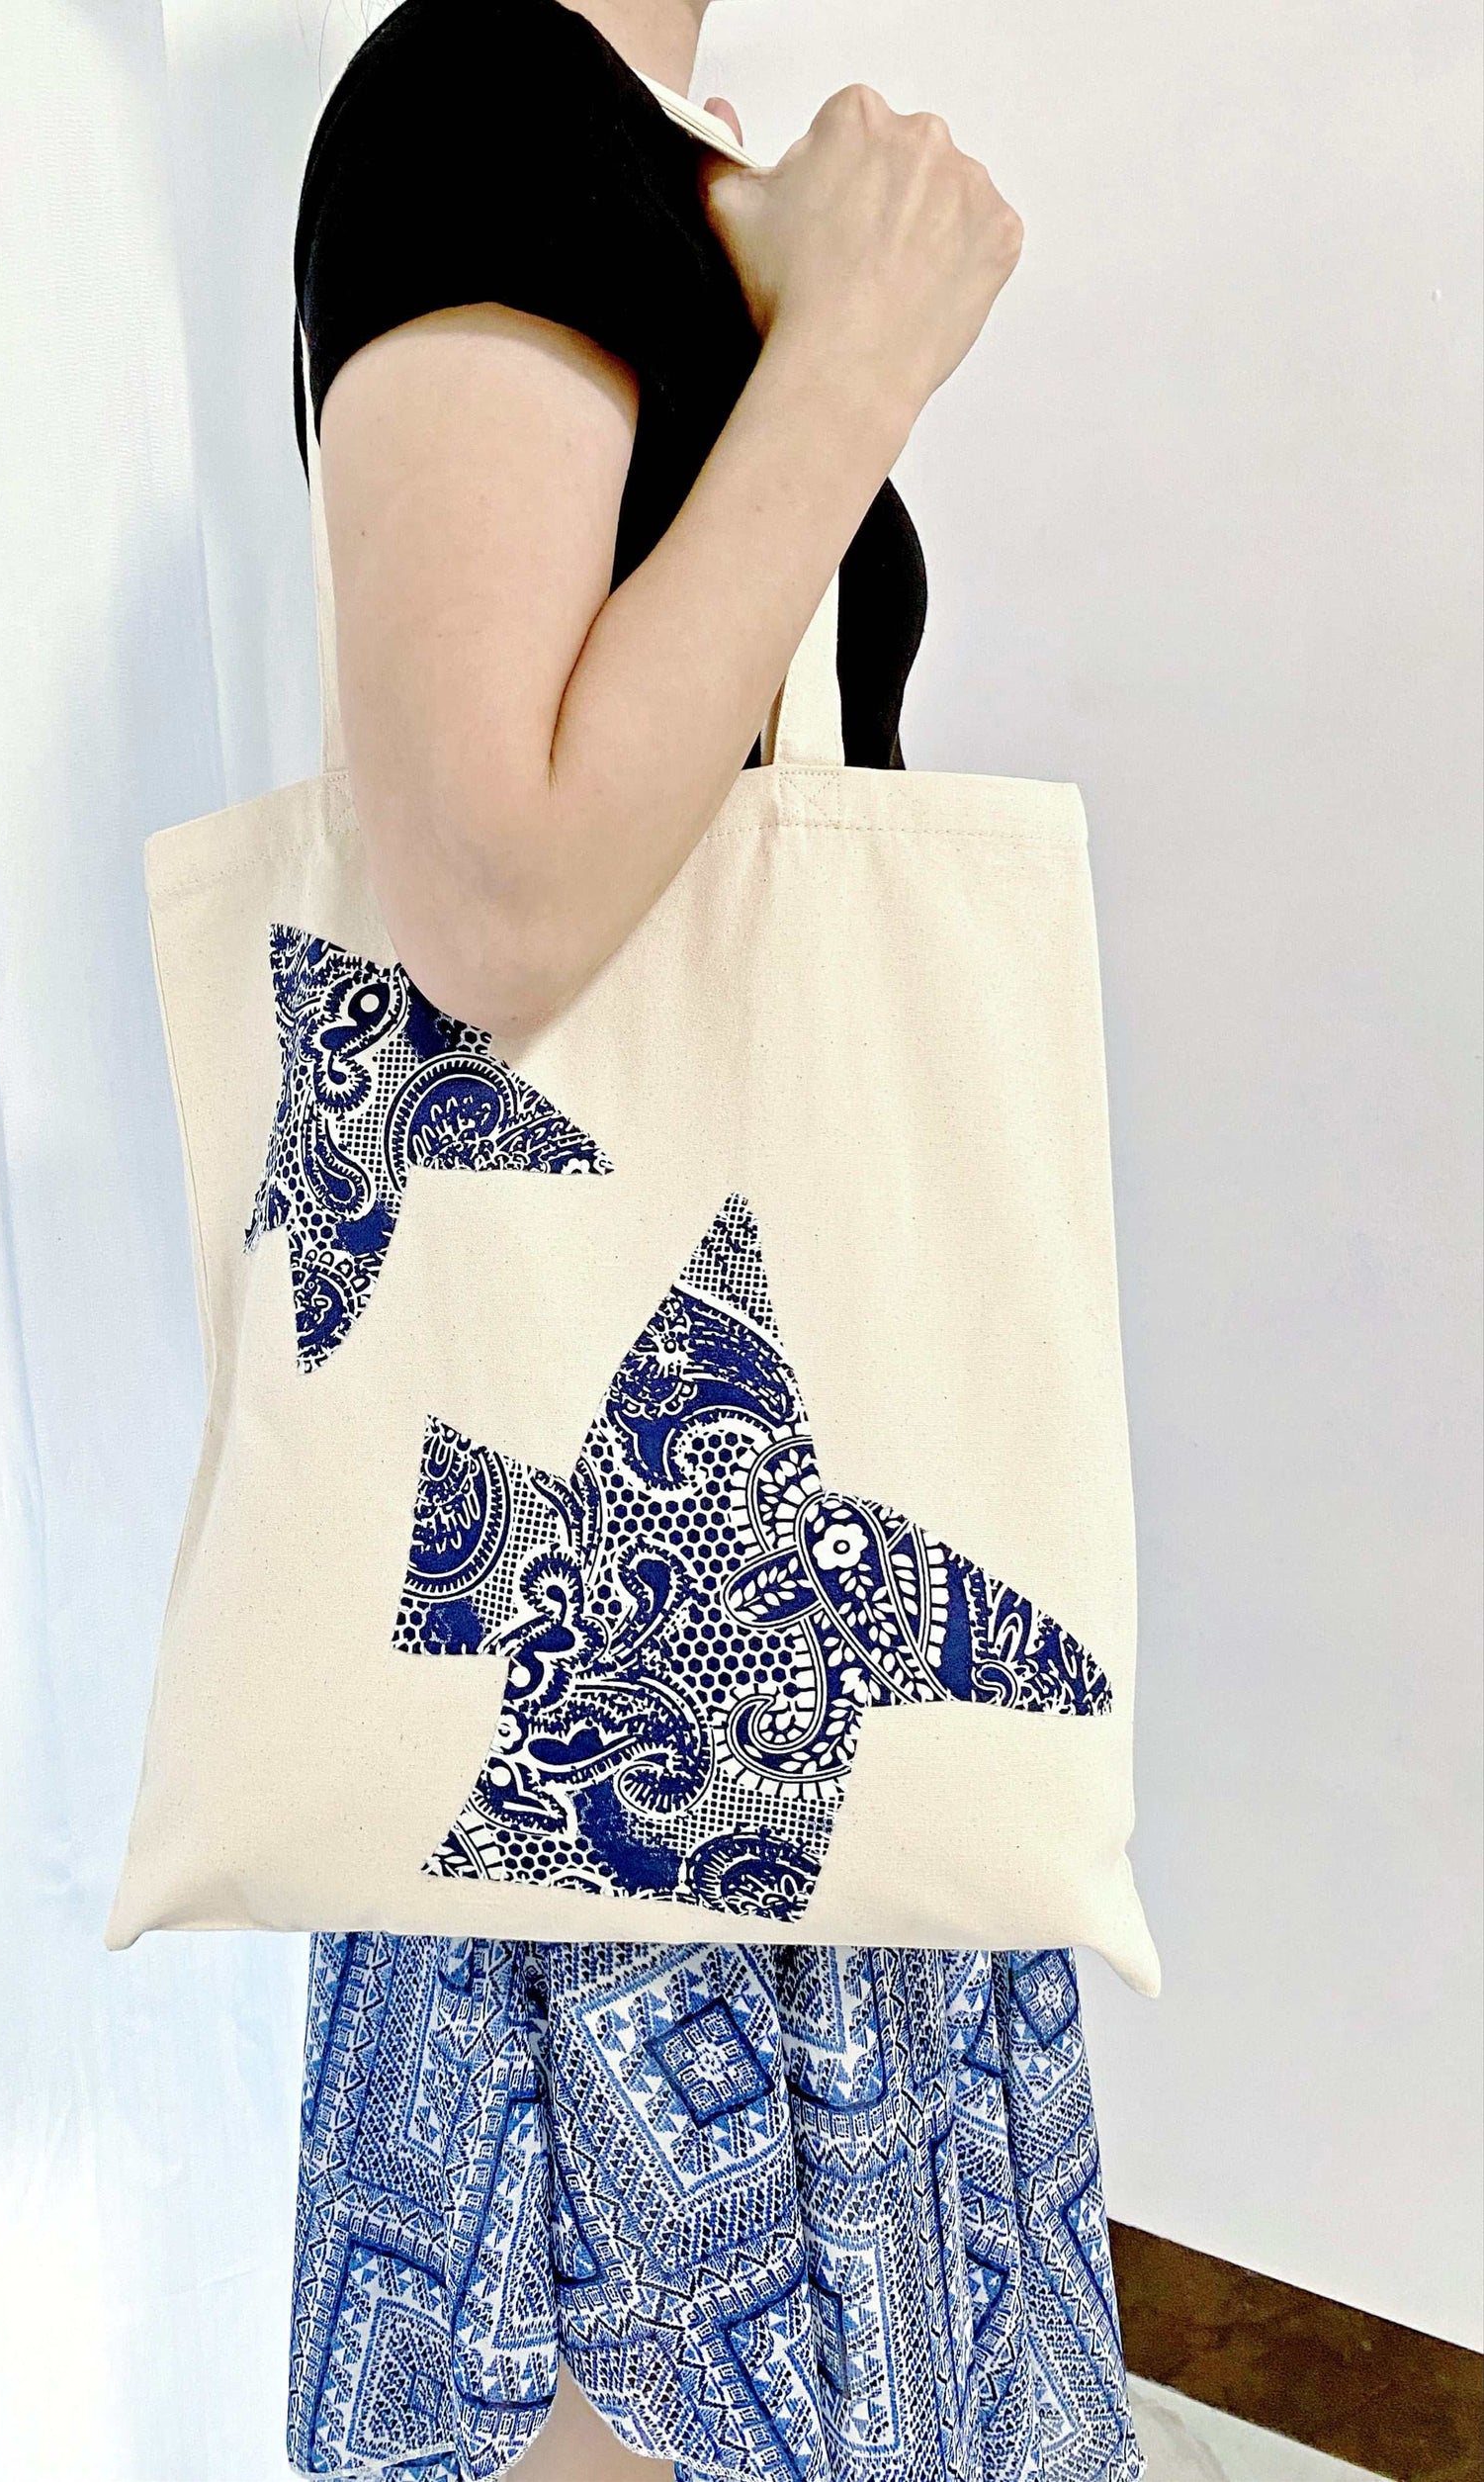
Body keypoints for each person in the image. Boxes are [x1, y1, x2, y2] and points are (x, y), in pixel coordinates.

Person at [286, 2, 1143, 2475]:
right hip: (630, 1640)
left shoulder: (655, 153)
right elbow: (490, 899)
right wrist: (849, 353)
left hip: (764, 1548)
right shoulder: (472, 95)